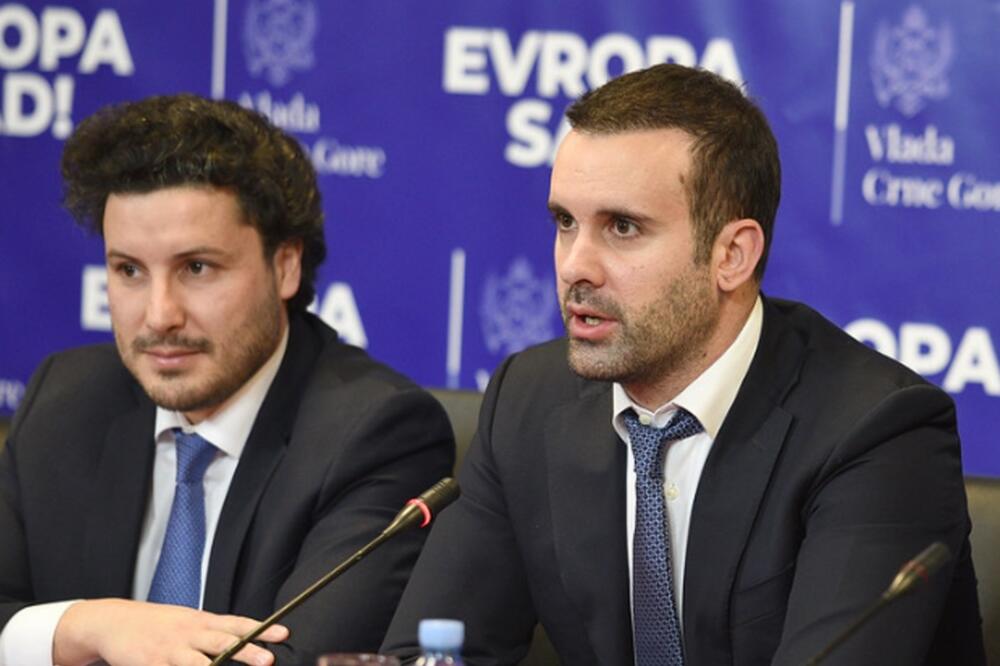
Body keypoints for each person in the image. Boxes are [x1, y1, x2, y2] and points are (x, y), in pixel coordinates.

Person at [381, 64, 985, 665]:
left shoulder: (876, 431)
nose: (574, 266)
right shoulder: (528, 401)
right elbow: (430, 652)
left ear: (732, 255)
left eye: (622, 227)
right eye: (565, 222)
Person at [0, 94, 454, 666]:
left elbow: (298, 660)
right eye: (129, 270)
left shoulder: (375, 435)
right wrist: (84, 626)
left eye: (197, 268)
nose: (159, 315)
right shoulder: (65, 400)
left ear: (285, 266)